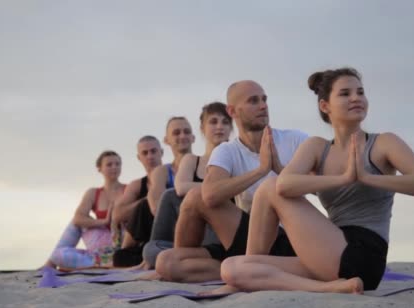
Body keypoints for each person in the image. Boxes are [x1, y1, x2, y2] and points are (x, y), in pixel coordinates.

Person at [209, 67, 414, 295]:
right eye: (345, 93)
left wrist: (367, 178)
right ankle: (328, 287)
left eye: (360, 92)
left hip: (363, 255)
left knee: (268, 188)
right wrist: (343, 178)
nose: (356, 98)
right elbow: (285, 184)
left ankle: (300, 277)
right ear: (325, 106)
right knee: (232, 268)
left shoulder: (383, 143)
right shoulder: (317, 147)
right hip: (328, 250)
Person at [155, 80, 308, 283]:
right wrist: (261, 170)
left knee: (194, 197)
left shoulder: (295, 139)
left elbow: (319, 182)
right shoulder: (227, 151)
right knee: (166, 262)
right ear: (233, 111)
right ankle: (242, 269)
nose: (263, 106)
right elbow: (211, 194)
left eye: (264, 100)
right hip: (245, 240)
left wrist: (279, 169)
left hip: (286, 238)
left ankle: (248, 269)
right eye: (254, 101)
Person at [140, 102, 233, 270]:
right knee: (151, 248)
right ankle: (177, 258)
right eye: (213, 122)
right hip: (191, 238)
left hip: (221, 236)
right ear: (202, 128)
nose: (220, 127)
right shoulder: (192, 160)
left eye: (225, 122)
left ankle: (179, 260)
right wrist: (218, 188)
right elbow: (180, 187)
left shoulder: (236, 160)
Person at [113, 117, 196, 266]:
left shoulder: (204, 164)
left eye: (186, 132)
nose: (182, 136)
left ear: (193, 137)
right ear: (167, 140)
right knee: (123, 255)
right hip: (170, 231)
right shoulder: (161, 172)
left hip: (199, 228)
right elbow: (155, 207)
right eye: (176, 133)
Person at [44, 151, 126, 270]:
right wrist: (104, 221)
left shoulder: (129, 189)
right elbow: (78, 219)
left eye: (117, 164)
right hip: (100, 243)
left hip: (122, 242)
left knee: (79, 224)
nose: (114, 167)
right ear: (99, 169)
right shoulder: (93, 193)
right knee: (75, 225)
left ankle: (55, 263)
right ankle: (53, 262)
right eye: (109, 164)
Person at [111, 135, 164, 266]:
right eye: (145, 153)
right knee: (120, 257)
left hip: (169, 238)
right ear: (139, 157)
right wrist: (150, 197)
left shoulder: (174, 175)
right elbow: (118, 214)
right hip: (144, 242)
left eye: (153, 151)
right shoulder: (137, 185)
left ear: (161, 152)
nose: (150, 156)